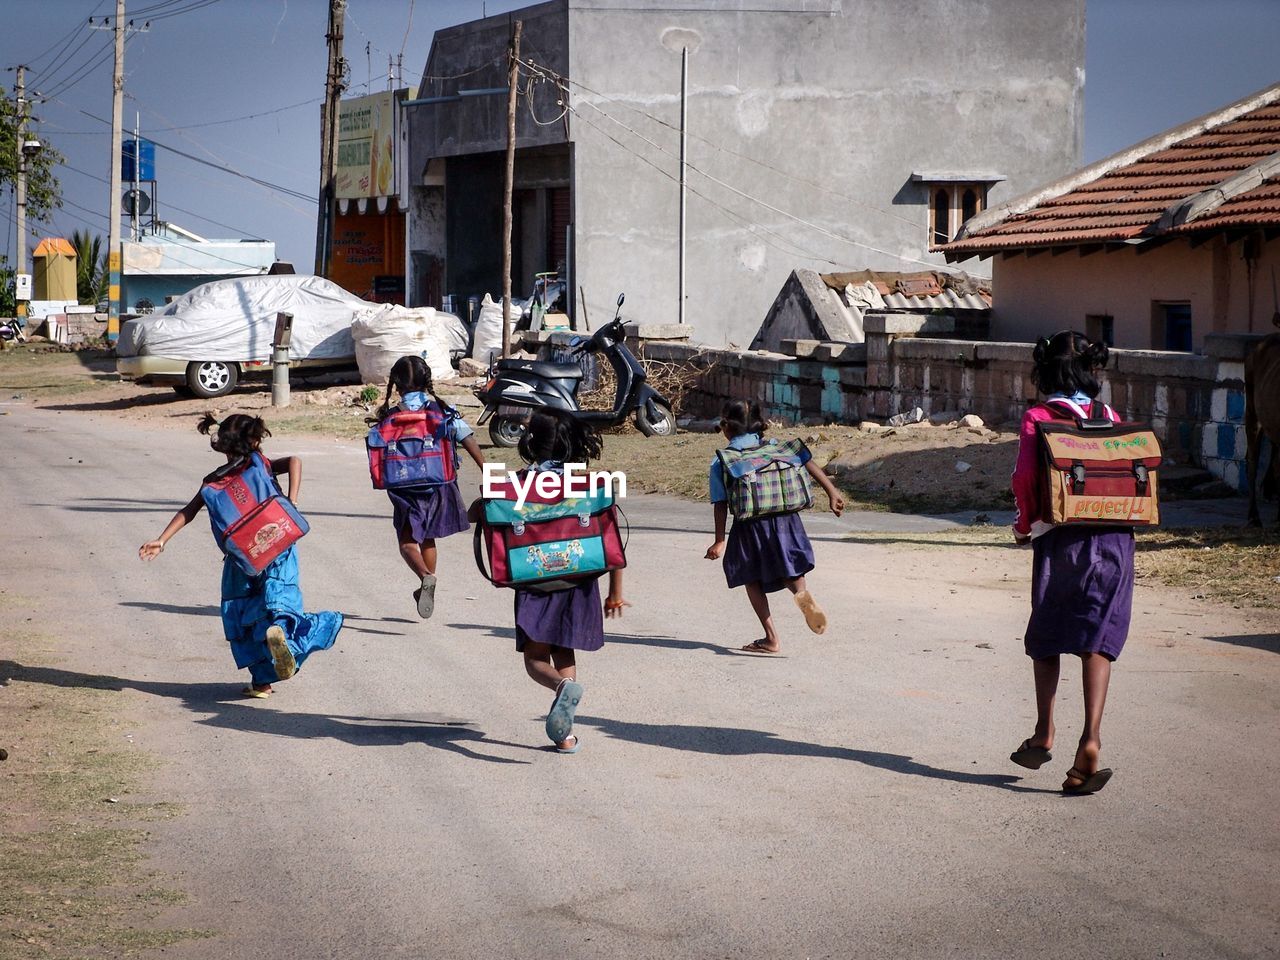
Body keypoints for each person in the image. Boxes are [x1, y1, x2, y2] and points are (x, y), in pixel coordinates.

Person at [138, 414, 343, 698]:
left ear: (222, 445)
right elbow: (295, 461)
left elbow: (189, 510)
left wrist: (162, 540)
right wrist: (291, 502)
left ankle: (262, 682)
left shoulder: (212, 482)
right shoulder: (260, 462)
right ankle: (286, 642)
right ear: (255, 440)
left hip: (240, 560)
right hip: (278, 545)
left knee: (247, 614)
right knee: (279, 602)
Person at [1009, 331, 1132, 795]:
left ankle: (1044, 731)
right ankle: (1092, 739)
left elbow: (1025, 477)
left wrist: (1024, 527)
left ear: (1046, 371)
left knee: (1048, 632)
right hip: (1116, 538)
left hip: (1063, 541)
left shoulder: (1039, 417)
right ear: (1090, 371)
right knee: (1096, 637)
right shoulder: (1111, 416)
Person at [477, 410, 626, 754]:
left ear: (528, 442)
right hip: (579, 583)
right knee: (564, 649)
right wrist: (615, 593)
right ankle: (565, 735)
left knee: (534, 659)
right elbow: (611, 538)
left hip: (535, 584)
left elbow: (479, 513)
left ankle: (561, 688)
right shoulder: (587, 484)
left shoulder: (513, 485)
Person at [704, 399, 845, 654]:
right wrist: (832, 492)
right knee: (788, 569)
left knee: (751, 577)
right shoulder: (777, 447)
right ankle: (802, 594)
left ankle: (771, 638)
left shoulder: (723, 462)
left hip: (749, 526)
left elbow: (720, 504)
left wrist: (719, 540)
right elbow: (808, 461)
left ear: (726, 428)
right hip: (785, 521)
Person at [371, 355, 486, 619]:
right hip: (439, 484)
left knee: (407, 542)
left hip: (404, 488)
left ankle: (425, 576)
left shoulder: (391, 416)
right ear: (427, 382)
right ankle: (429, 579)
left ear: (397, 386)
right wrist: (487, 471)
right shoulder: (442, 411)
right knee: (428, 537)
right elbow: (467, 439)